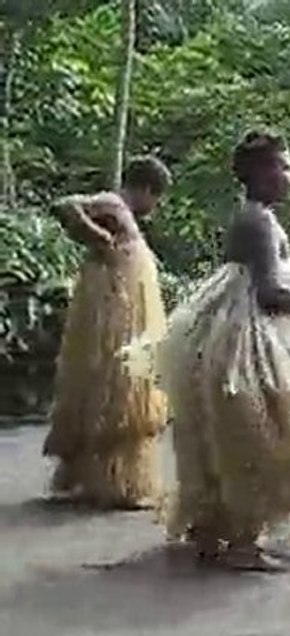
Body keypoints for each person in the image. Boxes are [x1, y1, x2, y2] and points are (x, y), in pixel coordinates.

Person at [149, 131, 290, 571]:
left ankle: (214, 533)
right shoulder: (259, 223)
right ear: (259, 172)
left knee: (228, 436)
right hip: (251, 344)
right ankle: (242, 544)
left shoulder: (254, 218)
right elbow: (271, 295)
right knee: (263, 439)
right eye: (284, 166)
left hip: (234, 333)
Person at [44, 157, 171, 509]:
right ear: (146, 189)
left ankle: (102, 477)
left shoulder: (122, 213)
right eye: (155, 199)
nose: (153, 208)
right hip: (112, 313)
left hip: (121, 309)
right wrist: (94, 234)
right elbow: (65, 204)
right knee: (118, 391)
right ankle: (114, 483)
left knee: (112, 388)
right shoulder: (114, 203)